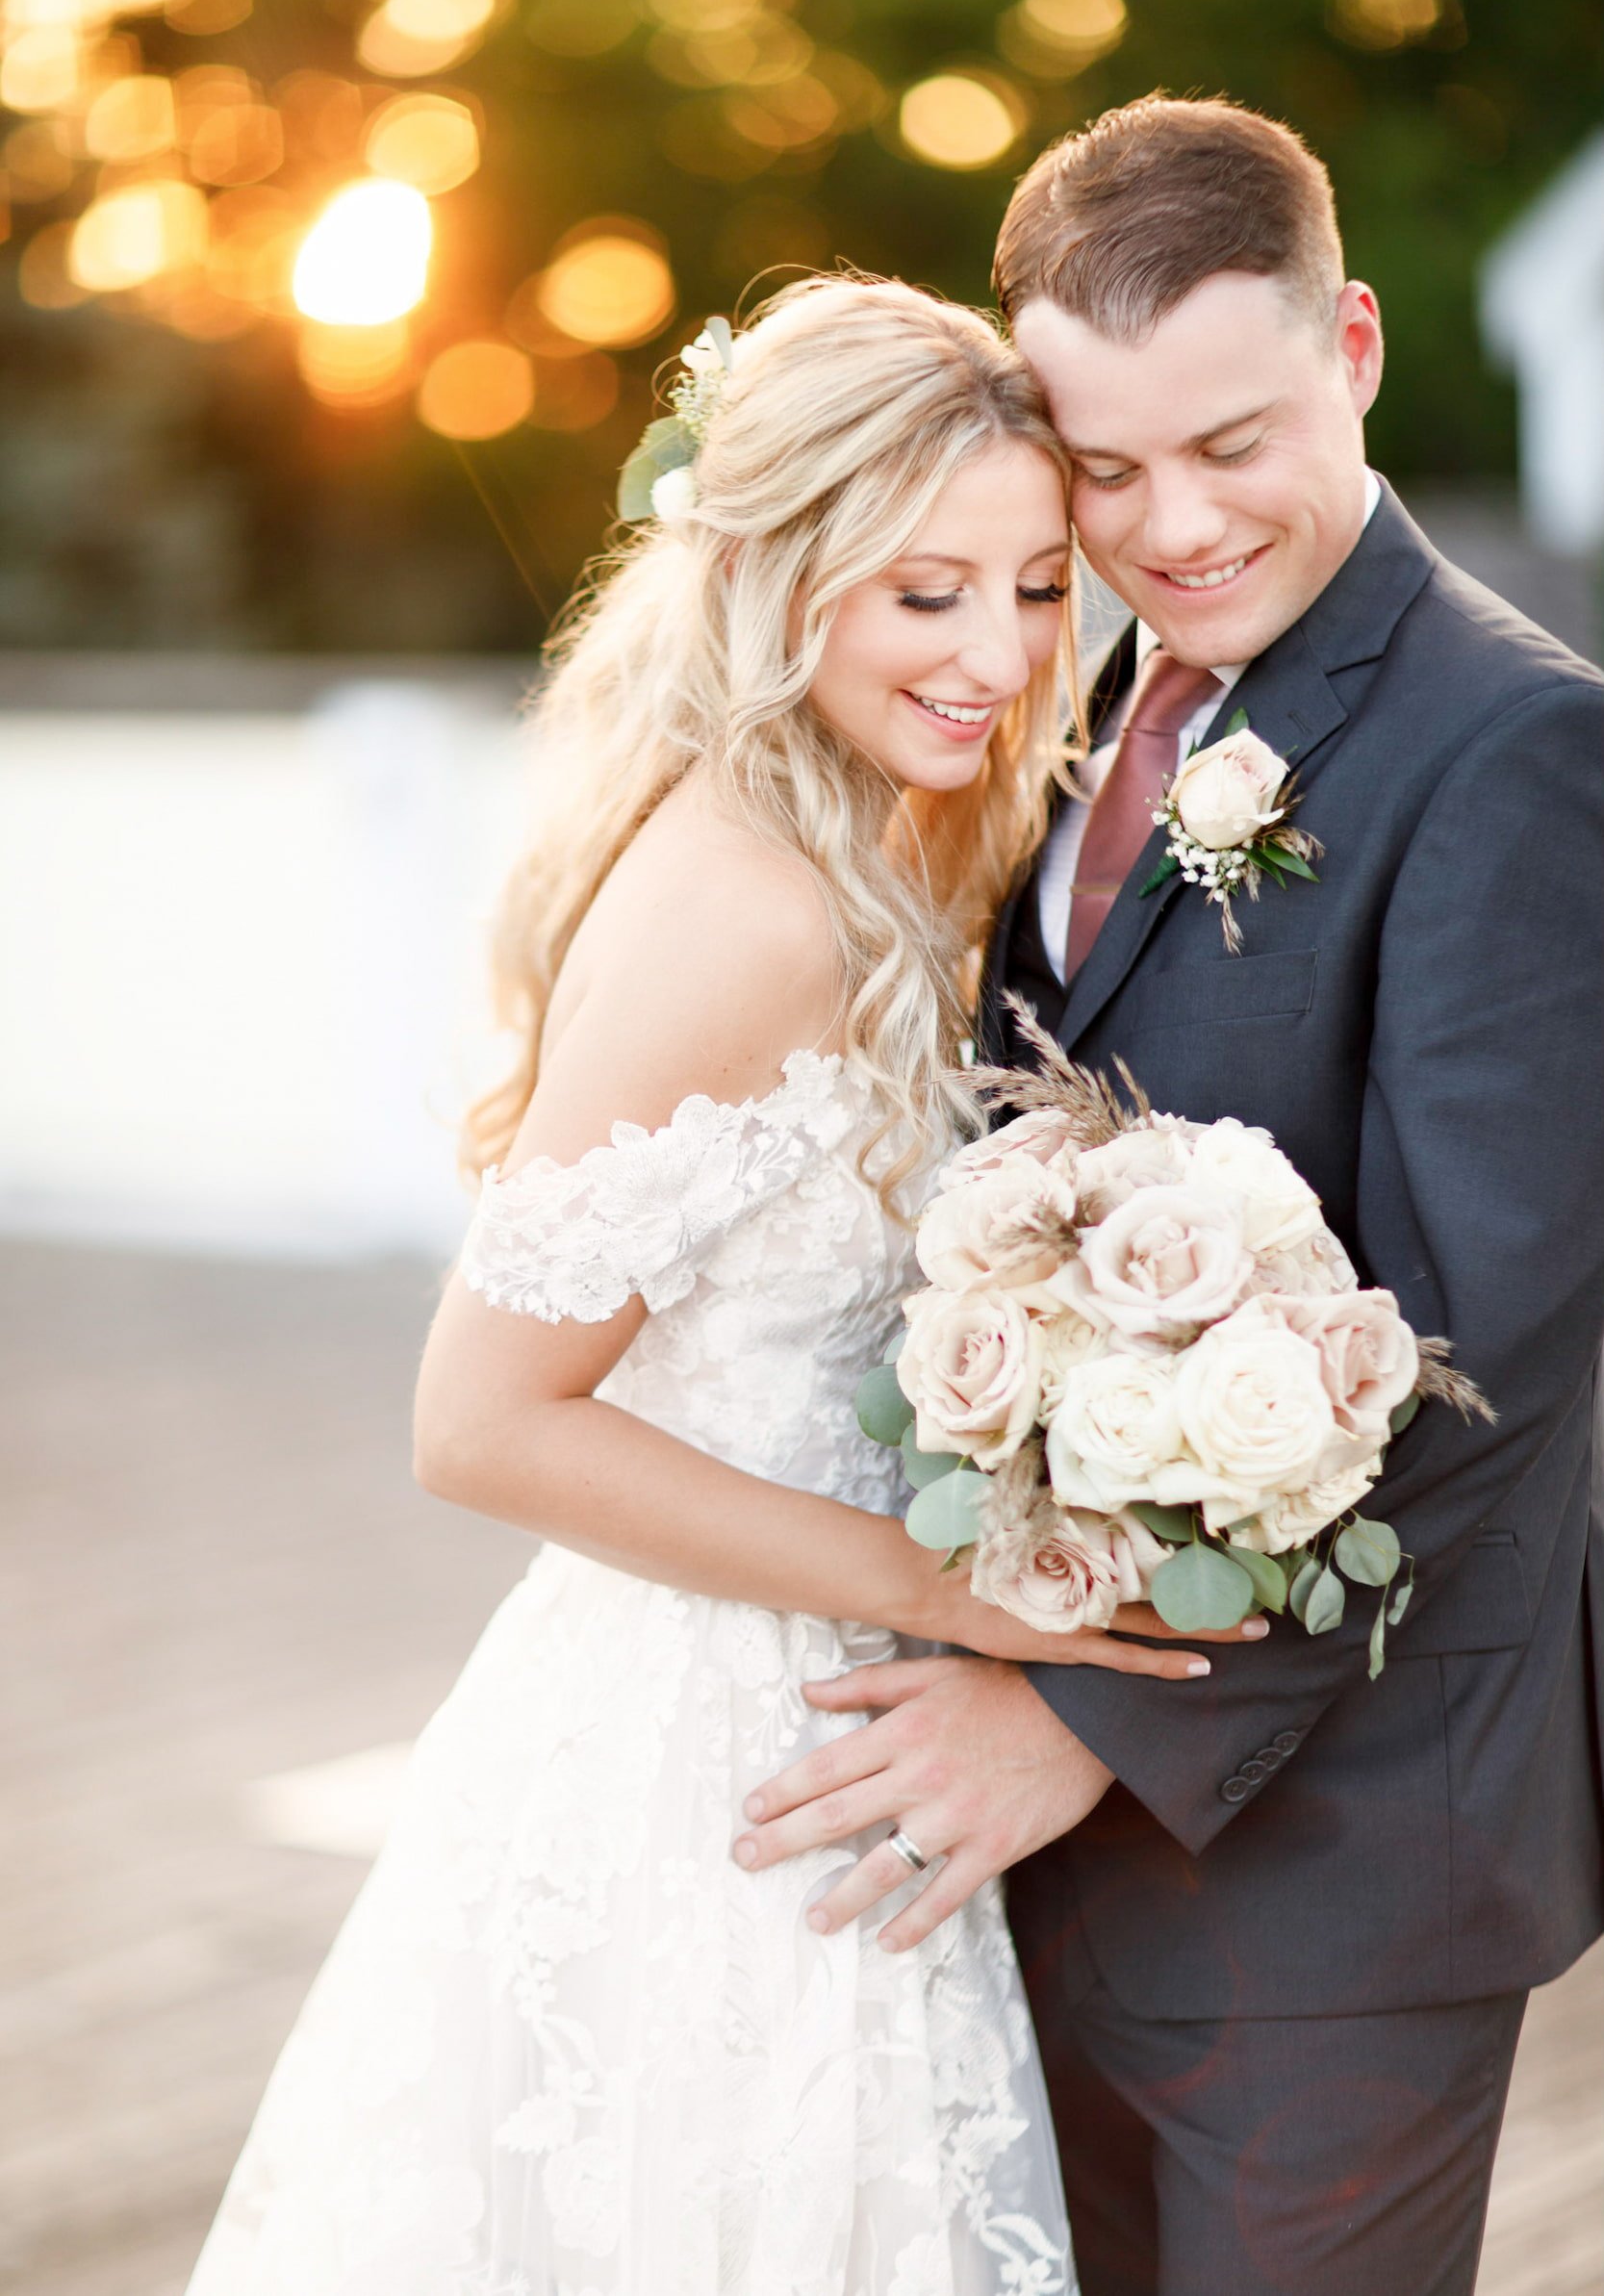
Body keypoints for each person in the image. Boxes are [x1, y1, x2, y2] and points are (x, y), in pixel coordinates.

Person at [182, 274, 1255, 2296]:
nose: (1001, 651)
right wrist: (961, 1595)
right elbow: (481, 1417)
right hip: (711, 1751)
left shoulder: (888, 834)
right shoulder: (750, 903)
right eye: (924, 590)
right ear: (778, 574)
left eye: (1038, 586)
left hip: (819, 1713)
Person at [736, 98, 1604, 2295]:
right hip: (1040, 1822)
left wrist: (1075, 1708)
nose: (1173, 524)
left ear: (1362, 350)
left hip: (1336, 1853)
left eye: (1229, 441)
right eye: (1103, 471)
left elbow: (1480, 1340)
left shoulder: (1515, 746)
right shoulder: (1068, 696)